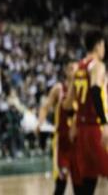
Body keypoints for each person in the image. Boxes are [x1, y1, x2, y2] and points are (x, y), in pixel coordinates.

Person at [68, 30, 108, 195]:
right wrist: (104, 124)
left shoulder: (77, 68)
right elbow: (95, 91)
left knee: (89, 180)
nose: (104, 49)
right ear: (98, 45)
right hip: (95, 128)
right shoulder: (97, 65)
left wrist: (73, 122)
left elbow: (69, 102)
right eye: (103, 45)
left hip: (81, 130)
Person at [37, 61, 77, 195]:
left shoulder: (82, 88)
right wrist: (40, 123)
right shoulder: (59, 89)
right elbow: (45, 107)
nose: (73, 71)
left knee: (81, 183)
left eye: (75, 68)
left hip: (78, 142)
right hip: (62, 142)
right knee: (61, 181)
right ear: (66, 71)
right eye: (70, 68)